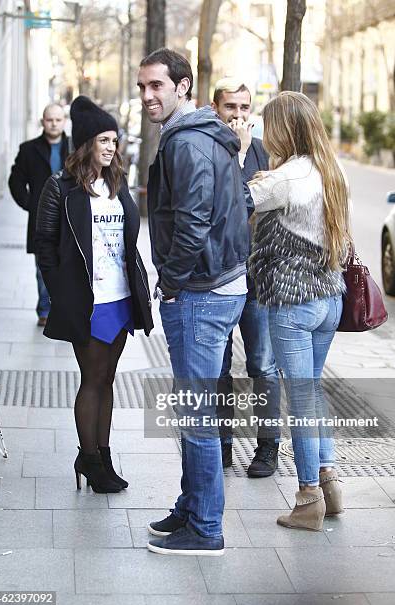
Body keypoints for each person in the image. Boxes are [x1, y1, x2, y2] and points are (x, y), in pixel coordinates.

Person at [138, 49, 248, 555]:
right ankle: (191, 504)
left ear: (183, 87)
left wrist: (173, 280)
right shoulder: (203, 135)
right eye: (143, 87)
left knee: (198, 415)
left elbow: (195, 218)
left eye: (157, 86)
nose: (148, 96)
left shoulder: (188, 143)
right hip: (214, 283)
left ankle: (205, 528)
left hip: (201, 291)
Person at [35, 96, 153, 494]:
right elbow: (45, 244)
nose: (110, 147)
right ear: (86, 142)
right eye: (103, 139)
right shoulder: (62, 187)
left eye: (114, 140)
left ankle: (102, 455)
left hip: (119, 297)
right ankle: (87, 456)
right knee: (92, 377)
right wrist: (62, 295)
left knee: (108, 378)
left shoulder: (116, 184)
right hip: (87, 300)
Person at [248, 91, 350, 531]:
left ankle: (308, 497)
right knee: (313, 391)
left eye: (266, 126)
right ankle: (329, 483)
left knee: (302, 399)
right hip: (330, 298)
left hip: (293, 301)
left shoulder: (282, 179)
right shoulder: (333, 170)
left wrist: (236, 153)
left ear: (282, 129)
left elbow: (234, 200)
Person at [212, 78, 281, 476]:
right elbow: (227, 207)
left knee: (263, 365)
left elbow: (256, 208)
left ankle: (267, 447)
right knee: (219, 368)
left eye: (243, 108)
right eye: (230, 108)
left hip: (256, 279)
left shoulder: (262, 152)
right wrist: (236, 161)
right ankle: (222, 446)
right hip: (219, 277)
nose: (238, 116)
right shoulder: (209, 149)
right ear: (215, 108)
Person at [9, 104, 69, 326]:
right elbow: (15, 181)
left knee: (67, 264)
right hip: (40, 219)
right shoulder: (28, 149)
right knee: (43, 265)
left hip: (69, 218)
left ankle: (62, 308)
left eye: (58, 120)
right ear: (42, 121)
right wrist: (30, 204)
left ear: (64, 121)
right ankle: (45, 310)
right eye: (49, 119)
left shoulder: (75, 148)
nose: (54, 124)